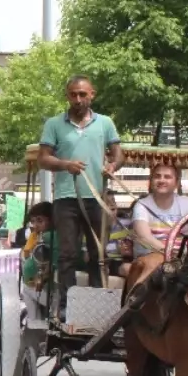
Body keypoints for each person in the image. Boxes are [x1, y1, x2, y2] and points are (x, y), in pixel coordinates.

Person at [37, 75, 124, 316]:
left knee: (99, 253)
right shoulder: (54, 124)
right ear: (67, 96)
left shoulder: (105, 123)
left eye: (82, 94)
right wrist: (66, 165)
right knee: (68, 253)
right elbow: (43, 158)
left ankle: (98, 306)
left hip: (97, 197)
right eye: (73, 94)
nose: (78, 99)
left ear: (92, 95)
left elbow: (118, 154)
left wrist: (112, 167)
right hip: (66, 197)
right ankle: (67, 306)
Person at [131, 163, 188, 256]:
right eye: (157, 176)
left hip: (184, 261)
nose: (161, 180)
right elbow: (144, 237)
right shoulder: (141, 205)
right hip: (150, 258)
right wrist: (171, 255)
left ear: (176, 183)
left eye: (167, 177)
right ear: (151, 181)